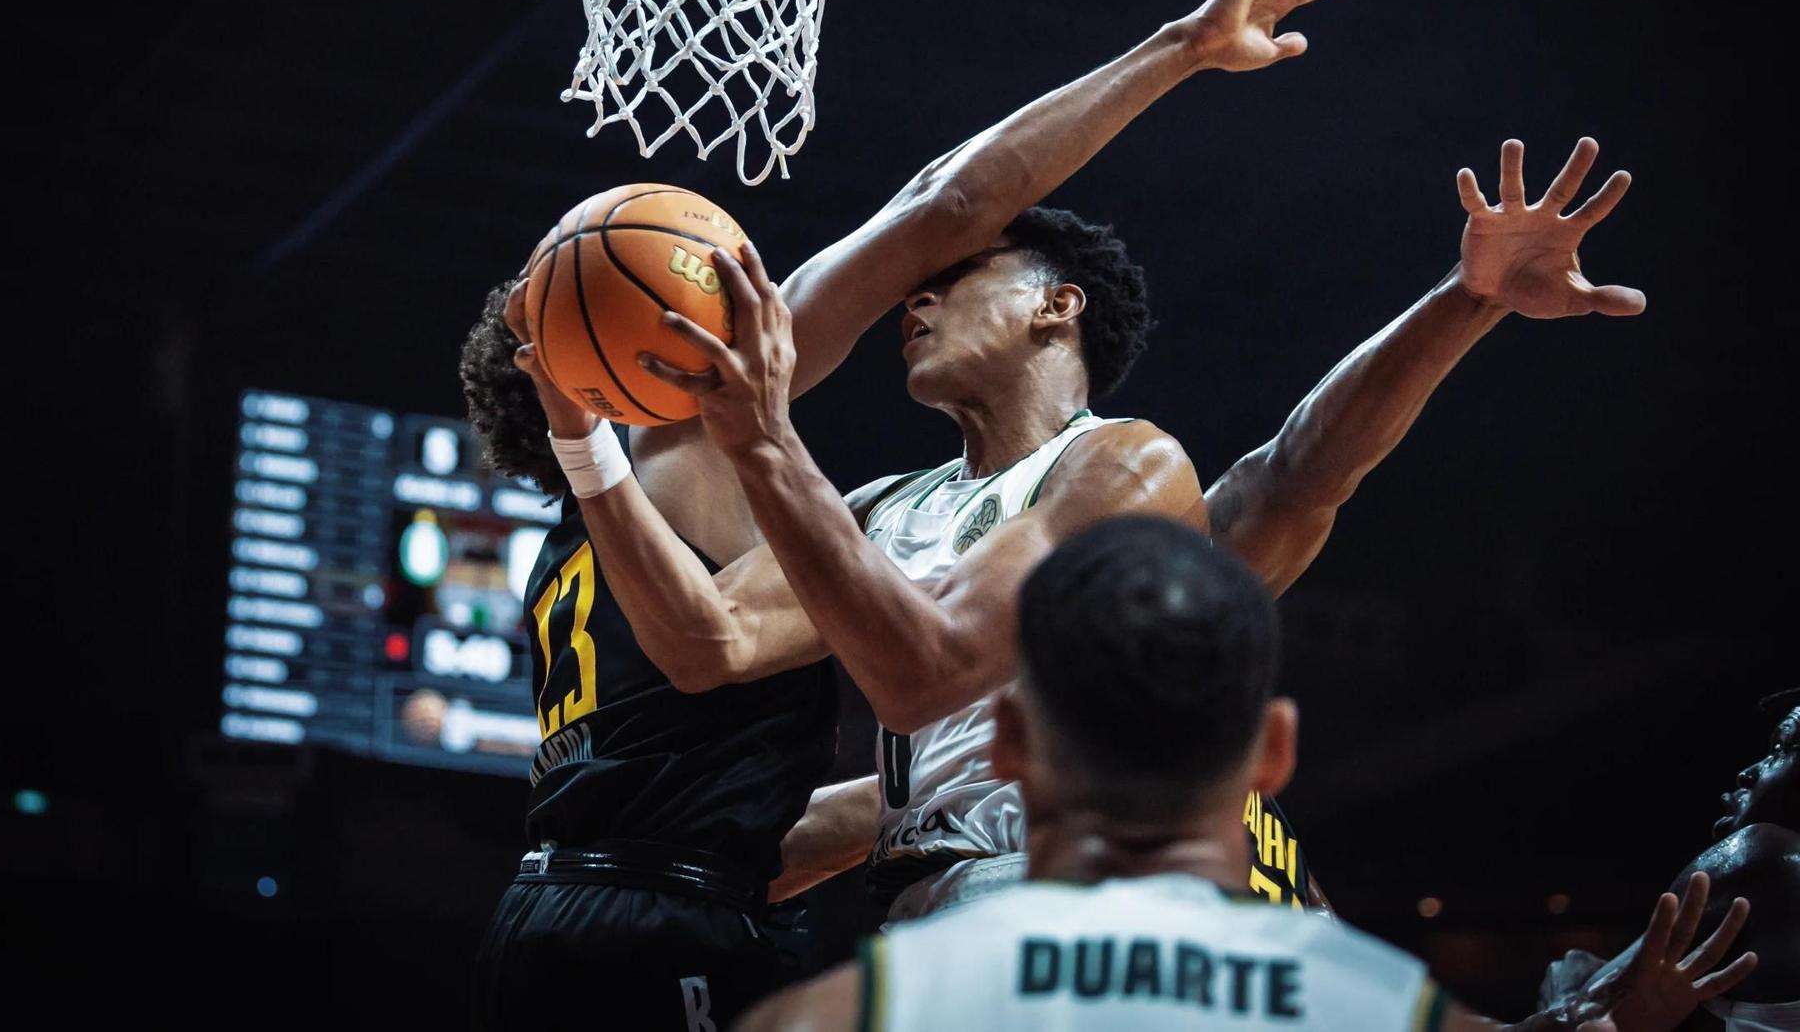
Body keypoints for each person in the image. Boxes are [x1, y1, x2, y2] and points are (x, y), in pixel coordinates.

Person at [462, 0, 1359, 1030]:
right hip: (675, 921)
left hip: (543, 908)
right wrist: (1178, 46)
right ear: (638, 344)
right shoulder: (685, 430)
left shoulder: (566, 550)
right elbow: (947, 206)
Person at [519, 133, 1643, 921]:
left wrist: (1466, 297)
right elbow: (711, 639)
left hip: (1089, 894)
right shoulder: (879, 509)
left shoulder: (1121, 463)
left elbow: (1301, 469)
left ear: (1057, 304)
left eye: (953, 284)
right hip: (936, 893)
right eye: (916, 292)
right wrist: (592, 447)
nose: (913, 302)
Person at [735, 517, 1756, 1031]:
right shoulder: (1376, 999)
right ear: (1272, 751)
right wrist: (1617, 1016)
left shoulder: (855, 1007)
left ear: (1002, 742)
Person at [1542, 688, 1798, 1031]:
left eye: (1780, 750)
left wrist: (1567, 991)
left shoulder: (1770, 857)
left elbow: (1584, 1009)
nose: (1748, 774)